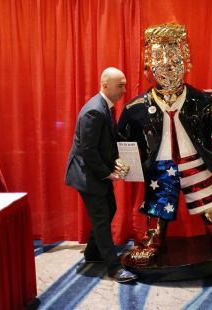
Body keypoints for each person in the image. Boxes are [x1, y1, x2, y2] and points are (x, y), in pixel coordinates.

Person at [117, 23, 212, 268]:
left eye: (173, 59)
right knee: (158, 204)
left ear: (185, 61)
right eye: (160, 60)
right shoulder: (135, 108)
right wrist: (123, 163)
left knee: (207, 199)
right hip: (161, 166)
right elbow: (122, 140)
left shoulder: (202, 101)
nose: (167, 66)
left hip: (194, 161)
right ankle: (153, 237)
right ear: (148, 66)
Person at [65, 67, 137, 282]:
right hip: (87, 174)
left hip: (94, 171)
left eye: (124, 84)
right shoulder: (95, 111)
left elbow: (104, 143)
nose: (124, 89)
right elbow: (88, 150)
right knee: (102, 219)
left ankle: (92, 253)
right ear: (105, 85)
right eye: (120, 85)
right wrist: (108, 173)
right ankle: (114, 268)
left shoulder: (106, 106)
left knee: (110, 209)